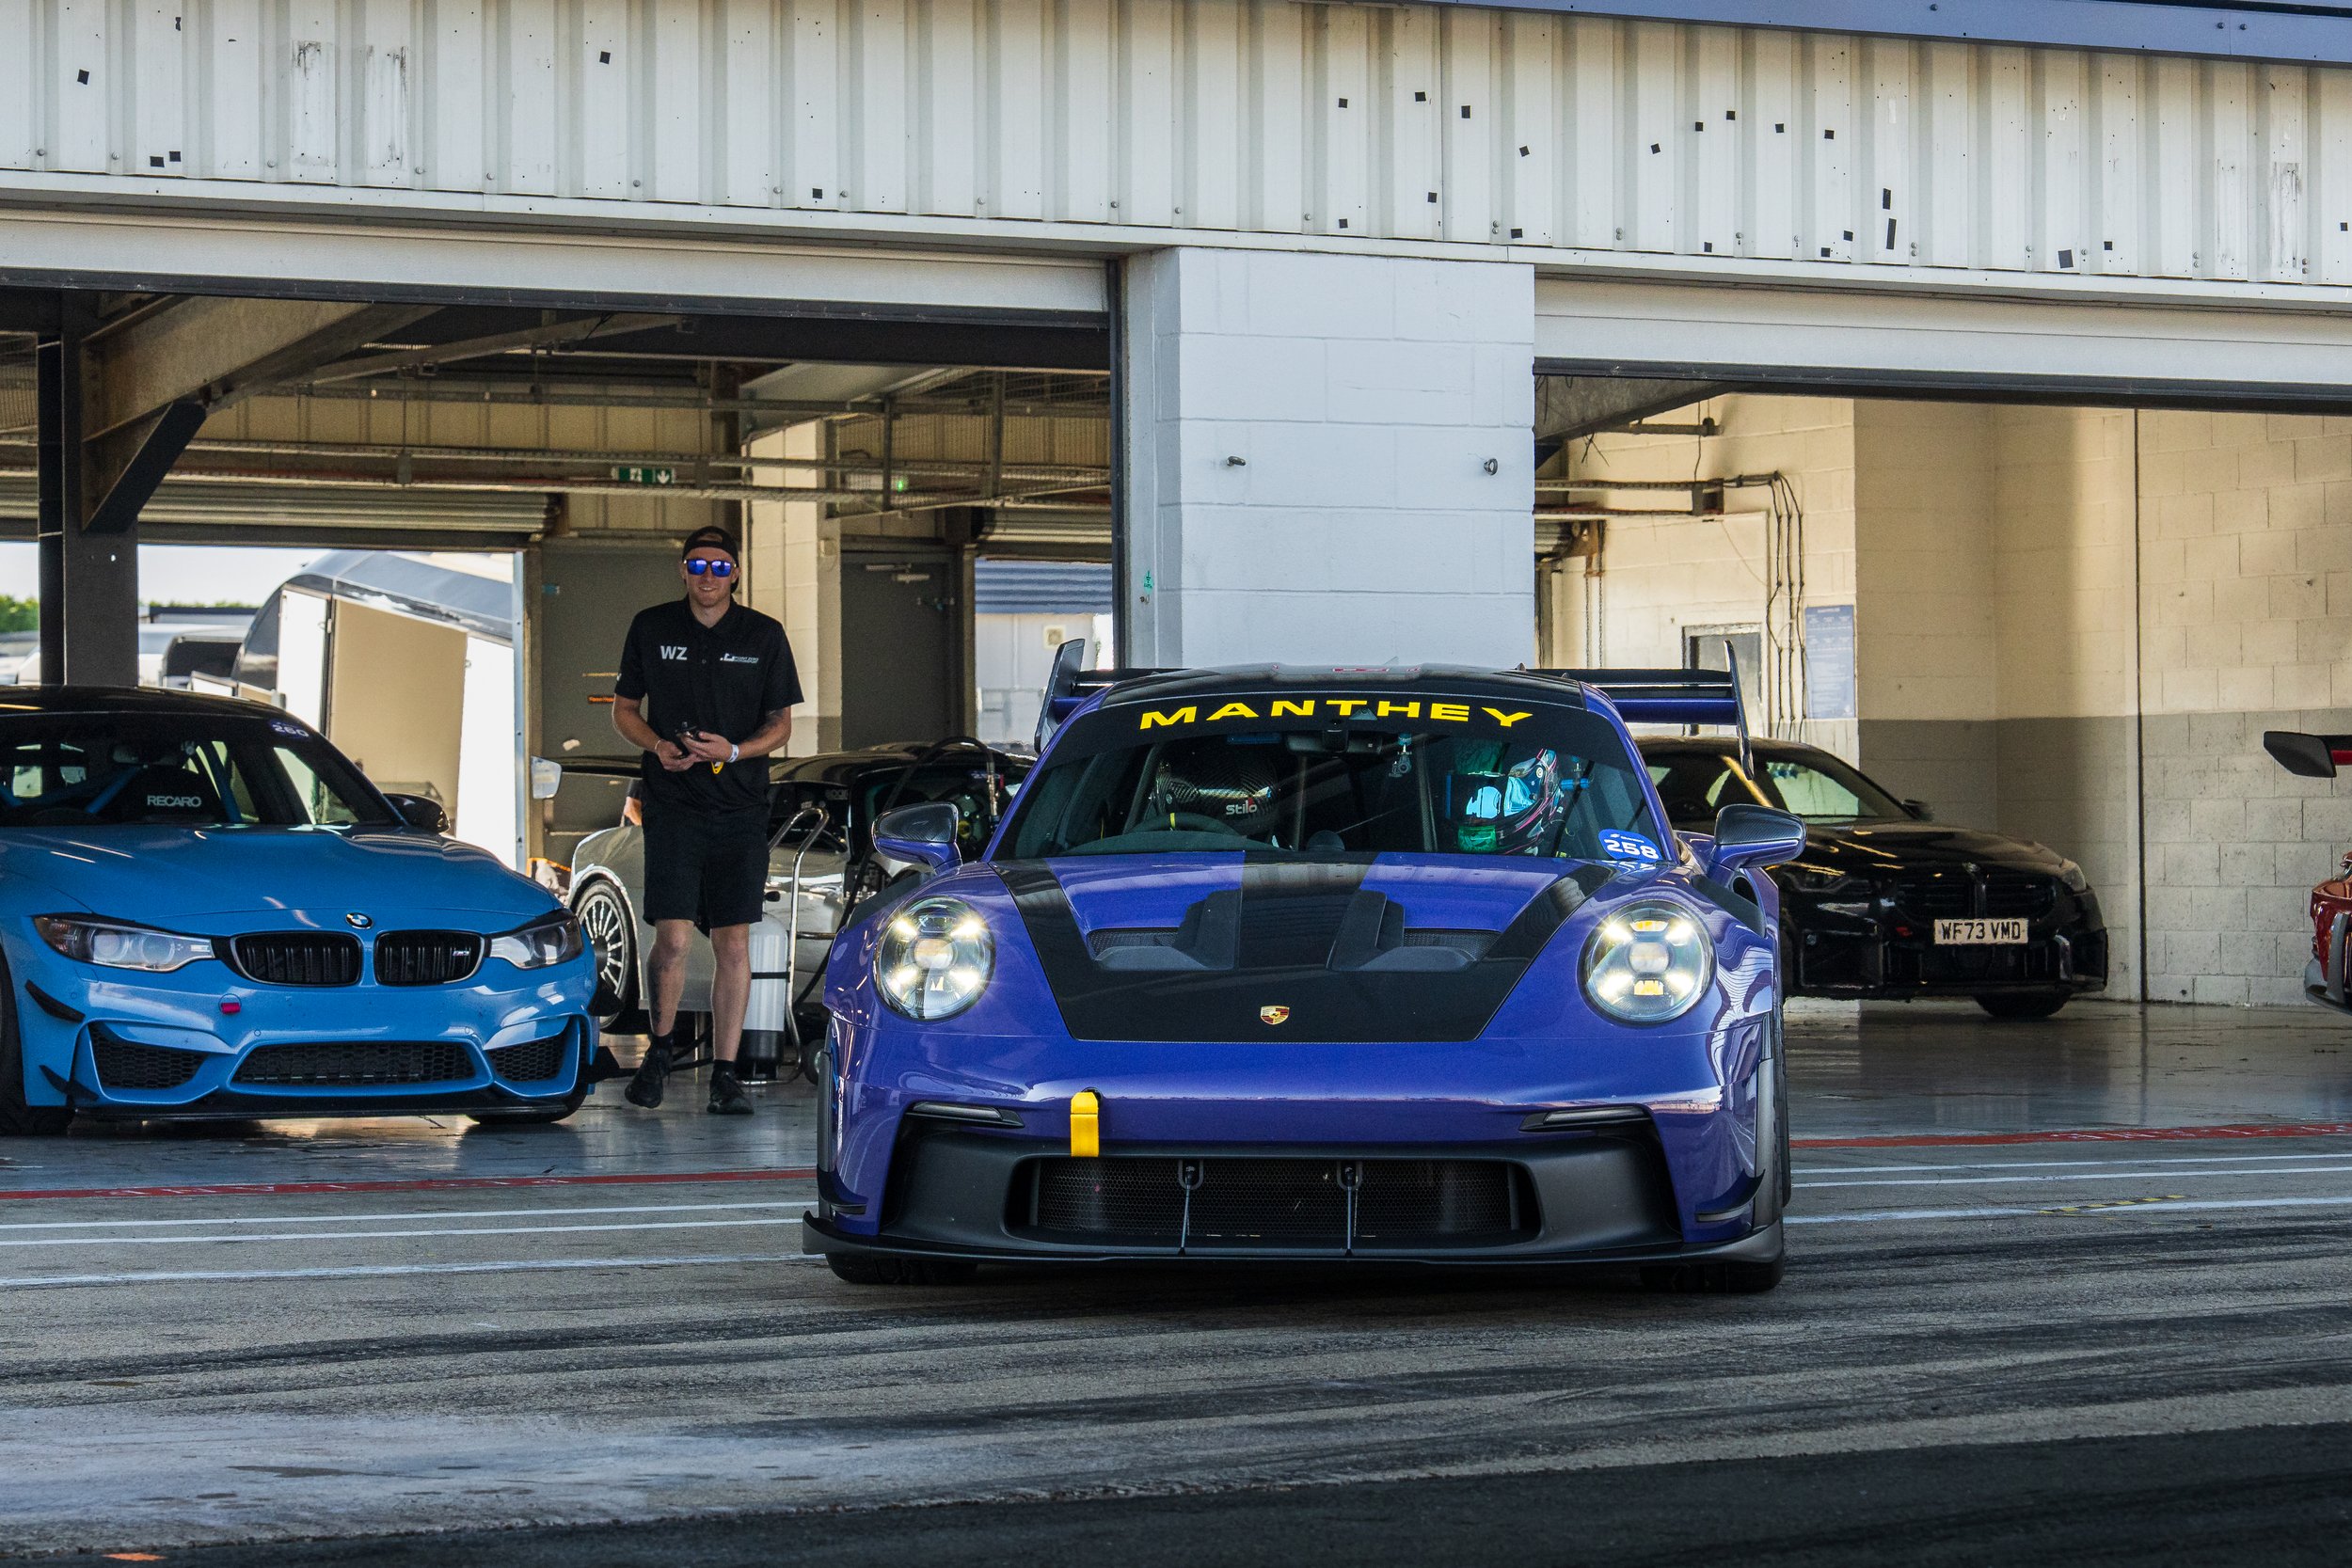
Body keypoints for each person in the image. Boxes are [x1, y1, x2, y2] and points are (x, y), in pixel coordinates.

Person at [610, 525, 801, 1115]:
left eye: (720, 566)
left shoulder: (764, 634)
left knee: (732, 941)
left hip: (740, 807)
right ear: (683, 571)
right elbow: (624, 710)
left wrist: (735, 751)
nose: (708, 576)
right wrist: (659, 745)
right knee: (671, 938)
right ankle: (659, 1053)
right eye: (697, 565)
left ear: (735, 573)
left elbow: (781, 726)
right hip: (673, 805)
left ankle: (725, 1073)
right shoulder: (652, 626)